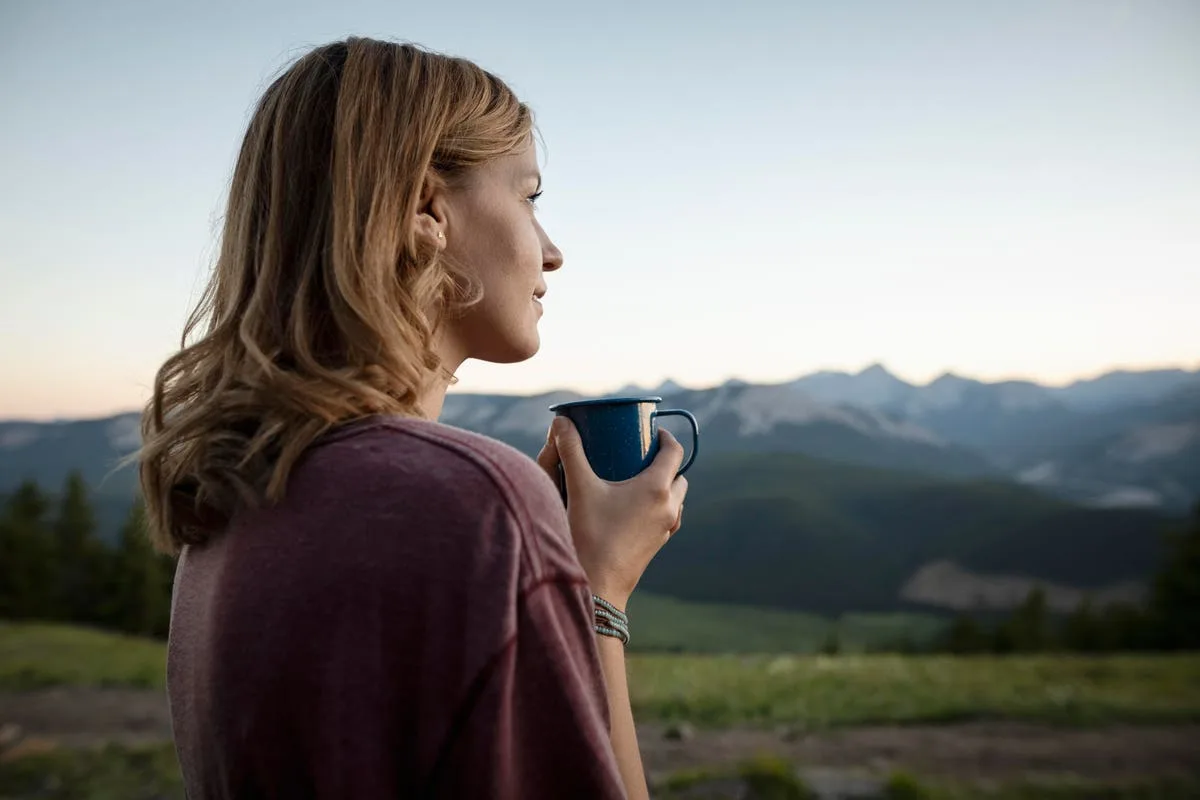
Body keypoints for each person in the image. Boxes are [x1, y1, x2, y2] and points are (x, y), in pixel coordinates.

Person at [136, 36, 688, 799]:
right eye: (529, 197)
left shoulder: (232, 498)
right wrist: (597, 595)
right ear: (428, 207)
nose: (551, 251)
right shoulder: (480, 502)